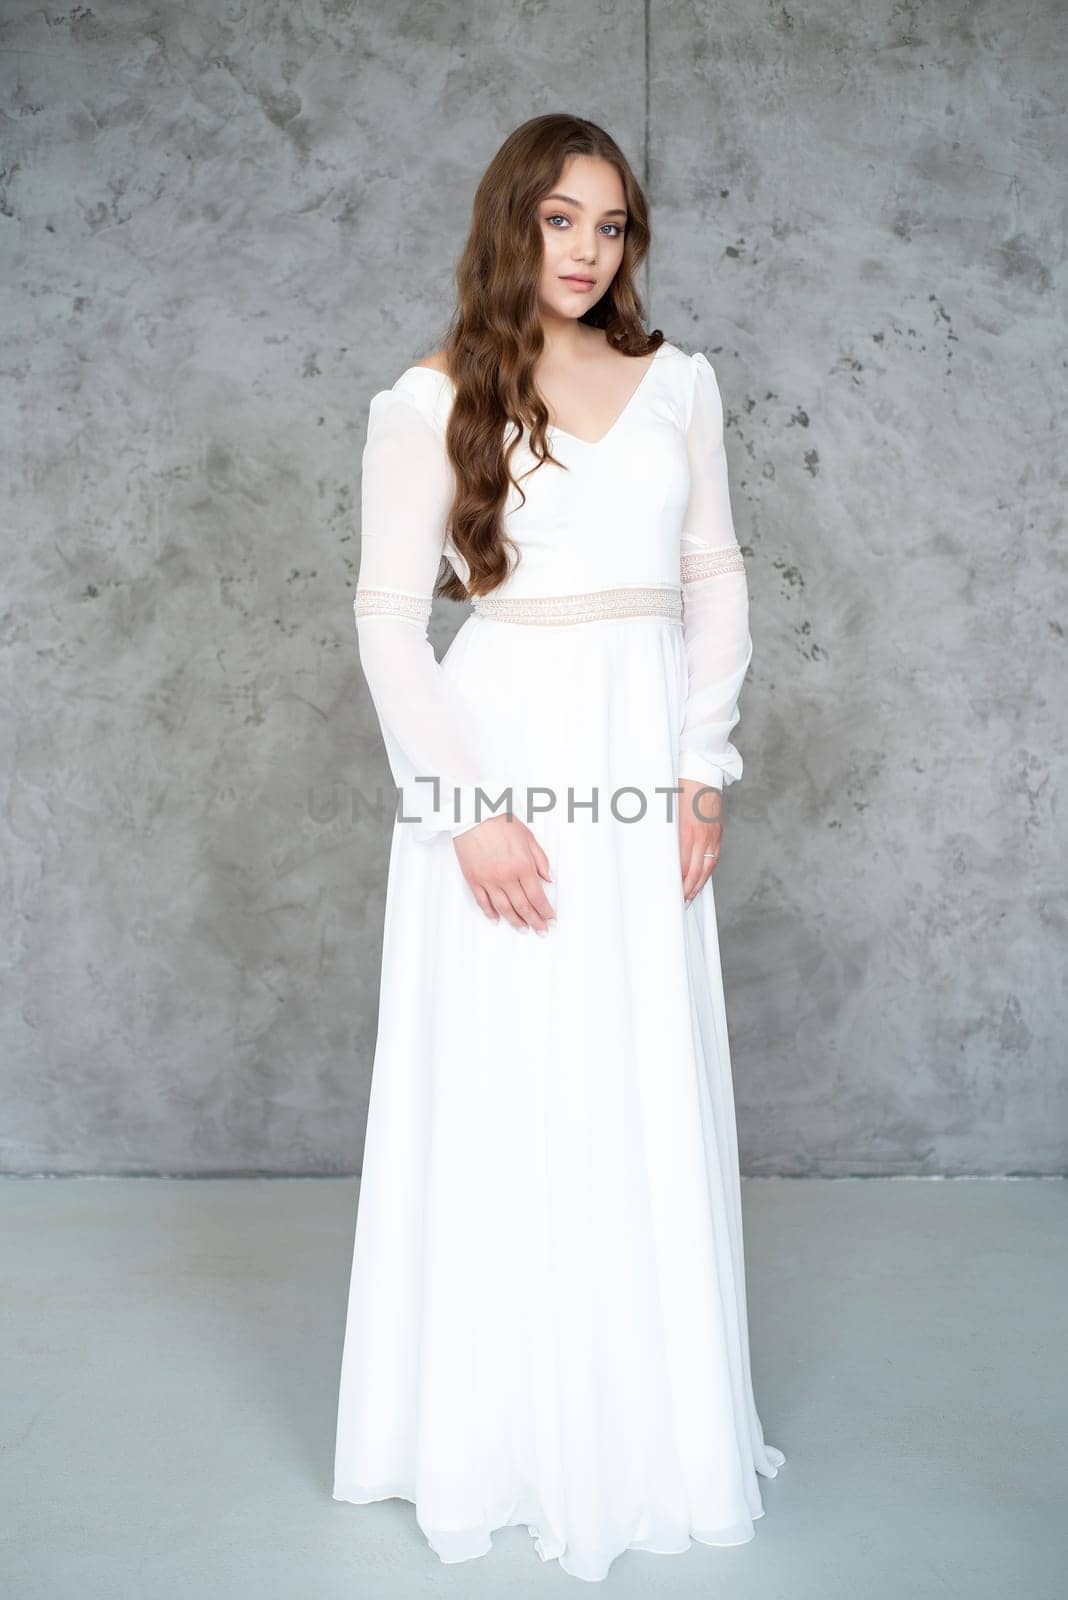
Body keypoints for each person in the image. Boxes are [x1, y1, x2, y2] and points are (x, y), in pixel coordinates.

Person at [332, 111, 785, 1584]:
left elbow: (713, 576)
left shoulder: (681, 385)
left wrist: (700, 765)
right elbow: (391, 625)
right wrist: (465, 810)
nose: (589, 251)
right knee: (513, 1079)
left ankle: (648, 1428)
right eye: (561, 220)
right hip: (502, 760)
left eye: (612, 225)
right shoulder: (431, 395)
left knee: (631, 1070)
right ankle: (498, 1431)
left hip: (642, 768)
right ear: (511, 220)